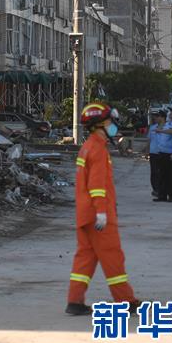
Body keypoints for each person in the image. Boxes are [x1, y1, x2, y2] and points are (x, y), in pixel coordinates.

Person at [66, 103, 141, 316]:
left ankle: (75, 302)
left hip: (85, 214)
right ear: (98, 125)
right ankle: (126, 301)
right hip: (98, 216)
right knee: (113, 257)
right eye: (110, 121)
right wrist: (101, 212)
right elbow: (97, 185)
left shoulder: (88, 146)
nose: (113, 125)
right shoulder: (98, 149)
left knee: (85, 258)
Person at [153, 110, 172, 202]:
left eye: (171, 112)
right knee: (161, 174)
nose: (169, 114)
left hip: (170, 153)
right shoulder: (167, 124)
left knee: (170, 175)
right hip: (161, 152)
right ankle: (162, 195)